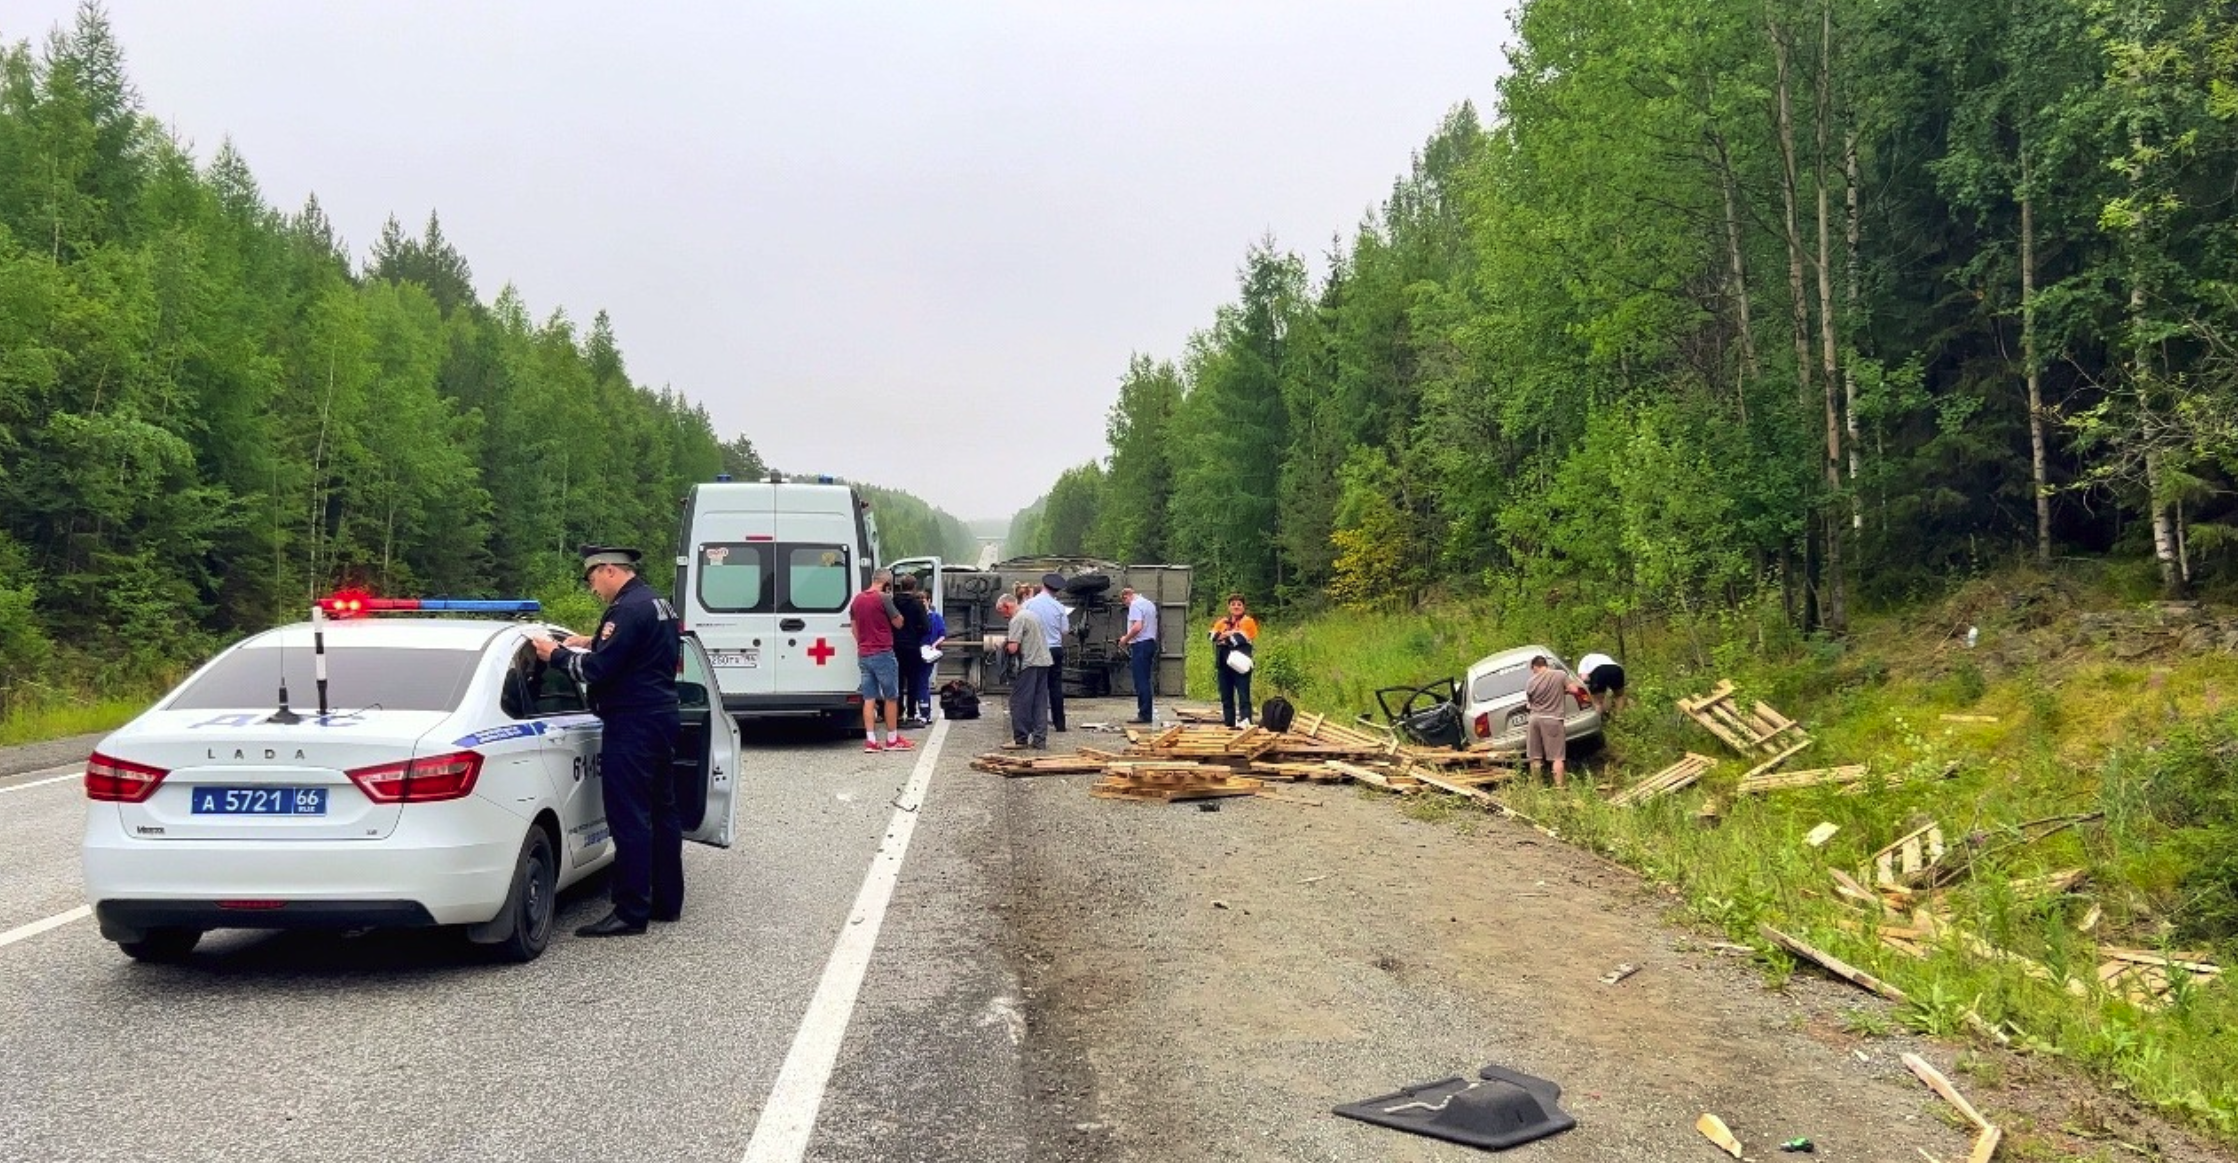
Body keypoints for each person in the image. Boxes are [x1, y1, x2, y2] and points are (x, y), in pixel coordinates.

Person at [530, 545, 682, 938]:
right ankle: (667, 901)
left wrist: (557, 654)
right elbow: (636, 653)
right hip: (661, 716)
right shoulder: (656, 603)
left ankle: (630, 912)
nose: (593, 588)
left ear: (609, 570)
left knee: (629, 815)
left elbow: (598, 670)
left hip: (632, 722)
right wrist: (592, 638)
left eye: (592, 578)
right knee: (662, 811)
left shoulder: (626, 610)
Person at [849, 568, 910, 753]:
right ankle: (892, 739)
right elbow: (899, 622)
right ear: (887, 584)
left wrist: (863, 644)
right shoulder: (883, 598)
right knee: (891, 697)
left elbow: (854, 628)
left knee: (869, 698)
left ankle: (871, 741)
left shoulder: (857, 599)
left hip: (864, 654)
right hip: (883, 653)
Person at [1523, 654, 1588, 789]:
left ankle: (1537, 788)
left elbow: (1529, 704)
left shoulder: (1530, 682)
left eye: (1533, 669)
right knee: (1557, 757)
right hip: (1552, 720)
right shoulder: (1559, 675)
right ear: (1545, 664)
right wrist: (1562, 690)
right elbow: (1575, 689)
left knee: (1535, 757)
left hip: (1534, 720)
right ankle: (1560, 788)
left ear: (1535, 666)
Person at [997, 594, 1051, 749]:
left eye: (1002, 612)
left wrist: (1003, 646)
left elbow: (1013, 647)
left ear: (1007, 606)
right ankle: (1040, 739)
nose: (1003, 616)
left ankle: (1020, 738)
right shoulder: (1033, 615)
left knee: (1019, 701)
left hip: (1028, 664)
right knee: (1039, 702)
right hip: (1043, 662)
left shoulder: (1017, 619)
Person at [1023, 572, 1071, 733]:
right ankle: (1060, 724)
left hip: (1036, 649)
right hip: (1055, 649)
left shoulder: (1029, 604)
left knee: (1035, 687)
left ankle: (1034, 723)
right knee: (1055, 686)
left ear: (1043, 585)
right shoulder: (1059, 607)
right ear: (1057, 590)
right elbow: (1065, 630)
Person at [1209, 593, 1259, 728]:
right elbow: (1212, 636)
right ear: (1229, 607)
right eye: (1233, 604)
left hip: (1240, 663)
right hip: (1223, 662)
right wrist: (1228, 634)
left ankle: (1246, 722)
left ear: (1243, 607)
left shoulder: (1248, 621)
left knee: (1243, 694)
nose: (1236, 607)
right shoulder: (1223, 621)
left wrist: (1225, 636)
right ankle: (1229, 723)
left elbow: (1237, 640)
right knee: (1226, 695)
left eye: (1239, 604)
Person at [892, 575, 930, 728]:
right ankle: (912, 714)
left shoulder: (893, 602)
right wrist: (916, 635)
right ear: (914, 587)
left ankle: (898, 714)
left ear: (900, 586)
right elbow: (926, 626)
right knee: (913, 681)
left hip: (895, 646)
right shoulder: (917, 604)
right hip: (913, 647)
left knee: (898, 681)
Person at [1117, 584, 1159, 724]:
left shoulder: (1135, 605)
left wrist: (1125, 639)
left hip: (1140, 645)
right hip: (1150, 643)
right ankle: (1146, 712)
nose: (1126, 605)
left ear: (1126, 596)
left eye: (1125, 602)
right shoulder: (1149, 604)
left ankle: (1144, 714)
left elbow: (1137, 626)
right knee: (1146, 679)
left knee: (1140, 680)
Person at [919, 596, 949, 722]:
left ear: (929, 601)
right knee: (920, 682)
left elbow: (942, 634)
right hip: (917, 651)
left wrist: (934, 645)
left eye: (923, 602)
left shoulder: (936, 617)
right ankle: (923, 711)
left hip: (928, 652)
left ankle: (925, 712)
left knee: (922, 681)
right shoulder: (919, 617)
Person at [1576, 650, 1626, 717]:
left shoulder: (1584, 660)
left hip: (1600, 671)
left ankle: (1600, 722)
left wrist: (1591, 688)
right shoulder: (1603, 656)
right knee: (1619, 696)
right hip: (1617, 669)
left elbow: (1584, 678)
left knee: (1597, 702)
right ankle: (1620, 717)